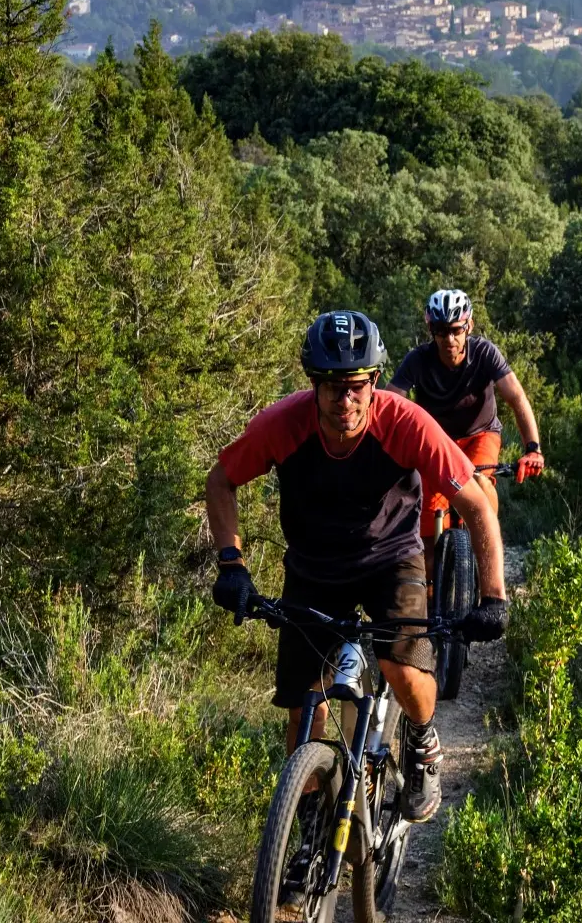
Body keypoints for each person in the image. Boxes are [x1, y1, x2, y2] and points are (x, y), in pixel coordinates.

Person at [205, 310, 508, 826]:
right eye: (330, 388)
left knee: (401, 666)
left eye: (355, 387)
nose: (344, 401)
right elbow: (221, 481)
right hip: (313, 567)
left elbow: (476, 505)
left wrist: (494, 597)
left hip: (391, 559)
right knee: (305, 711)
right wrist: (231, 562)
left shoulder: (405, 422)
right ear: (313, 385)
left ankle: (420, 735)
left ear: (373, 383)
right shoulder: (284, 425)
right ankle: (304, 827)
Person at [384, 289, 545, 539]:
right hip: (438, 441)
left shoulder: (484, 353)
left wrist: (532, 448)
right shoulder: (418, 360)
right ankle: (431, 577)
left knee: (479, 481)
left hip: (481, 435)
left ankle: (488, 554)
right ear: (431, 329)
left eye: (456, 330)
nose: (449, 339)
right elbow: (389, 405)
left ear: (469, 326)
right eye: (441, 331)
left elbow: (516, 397)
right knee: (427, 527)